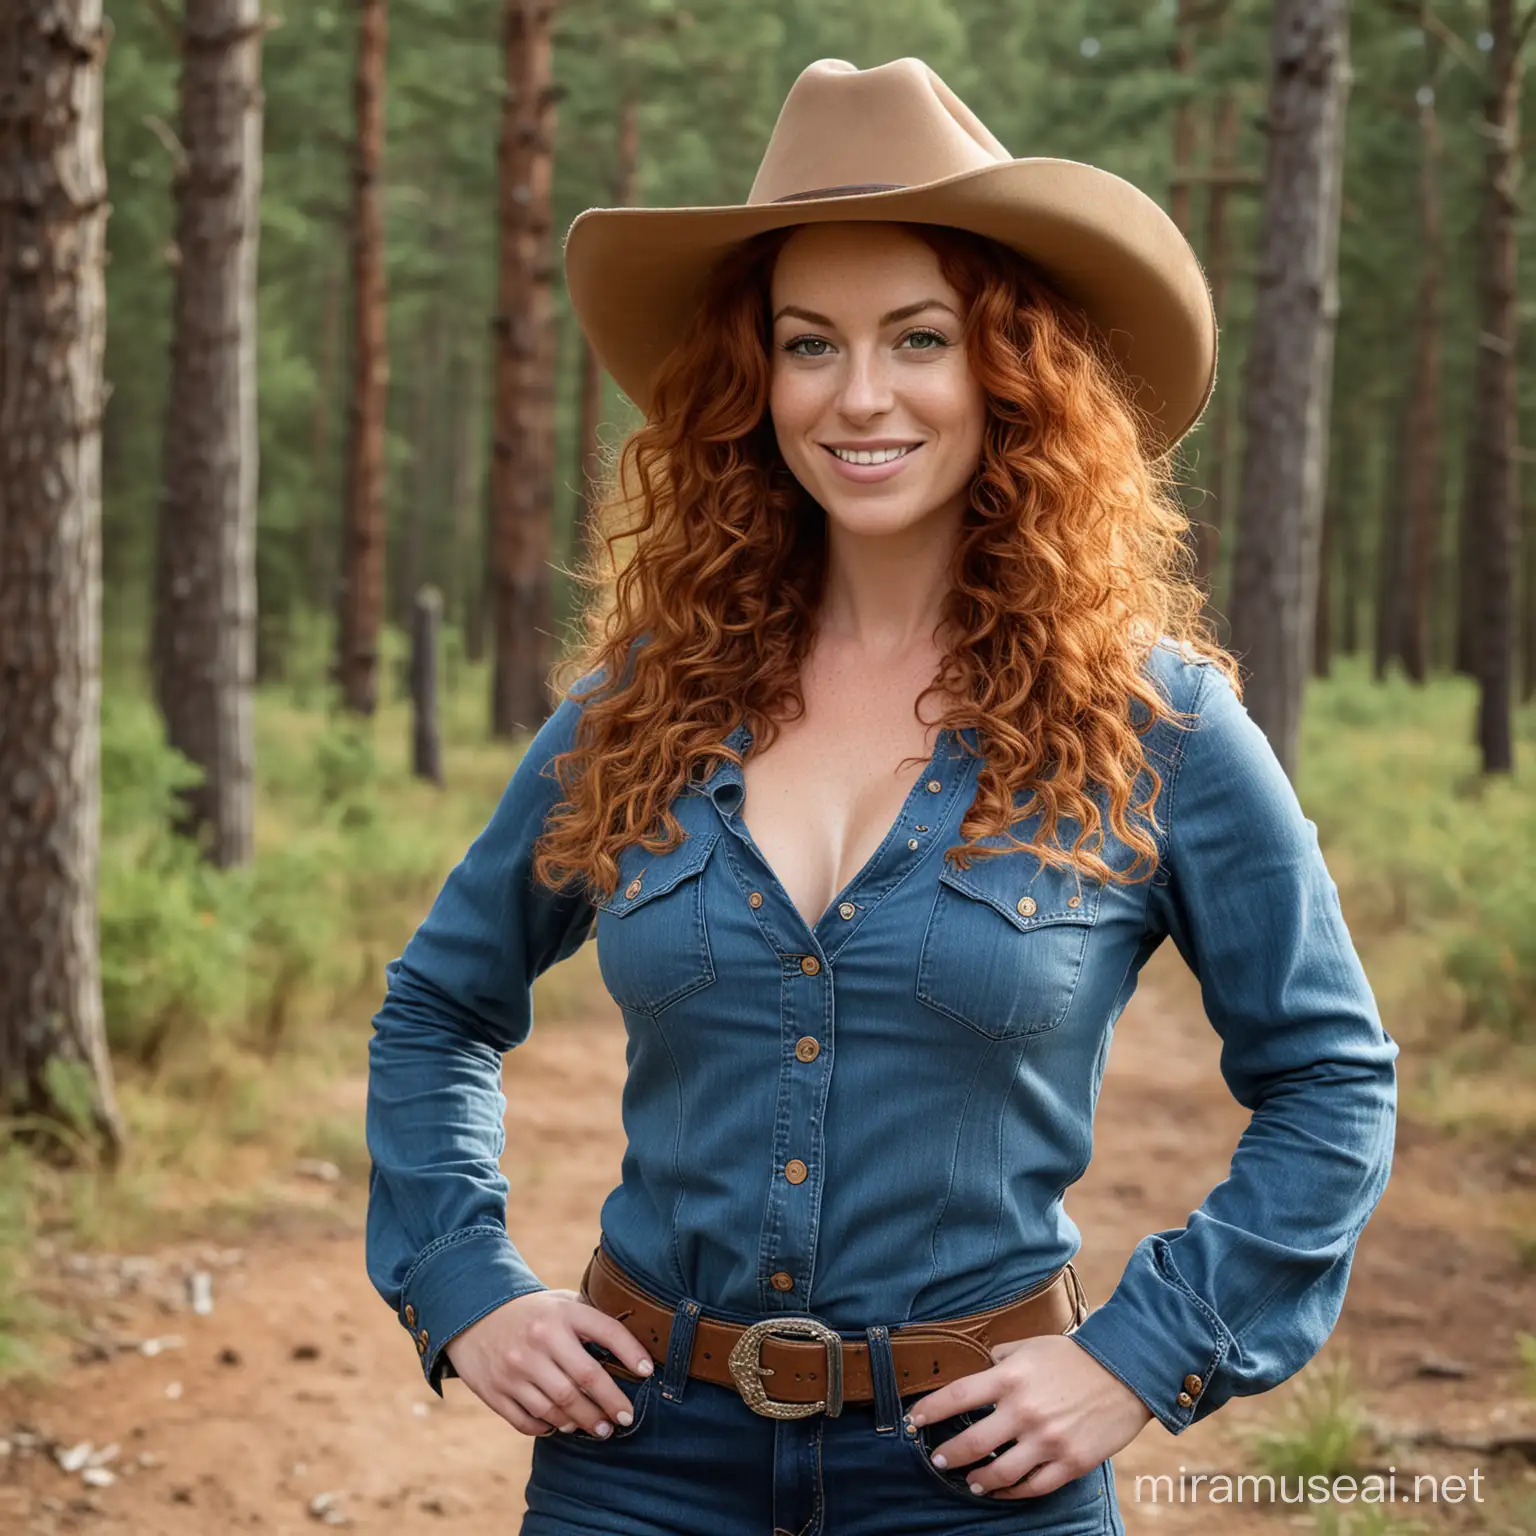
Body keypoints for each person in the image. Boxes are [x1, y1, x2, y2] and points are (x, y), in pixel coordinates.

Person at [364, 57, 1398, 1535]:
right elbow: (437, 1007)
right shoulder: (643, 705)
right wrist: (464, 1285)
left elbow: (1331, 1081)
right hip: (637, 1466)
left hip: (982, 1480)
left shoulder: (1155, 721)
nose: (861, 396)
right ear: (752, 378)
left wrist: (1139, 1359)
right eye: (808, 343)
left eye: (920, 337)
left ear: (1010, 369)